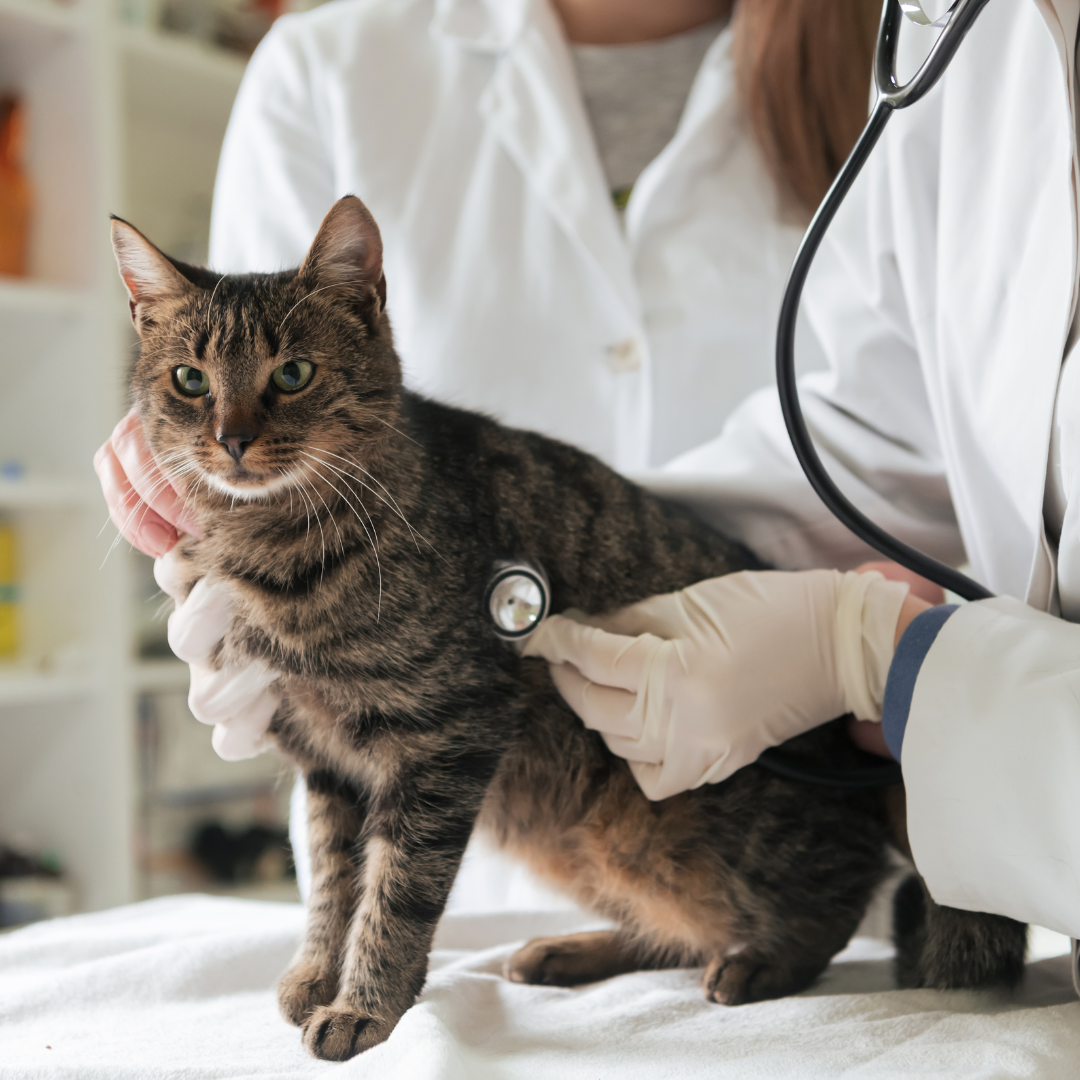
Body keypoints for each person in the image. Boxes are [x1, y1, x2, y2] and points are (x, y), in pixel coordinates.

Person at [97, 0, 881, 904]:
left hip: (783, 820)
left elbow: (943, 459)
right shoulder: (326, 68)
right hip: (459, 888)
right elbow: (228, 358)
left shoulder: (908, 54)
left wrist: (860, 644)